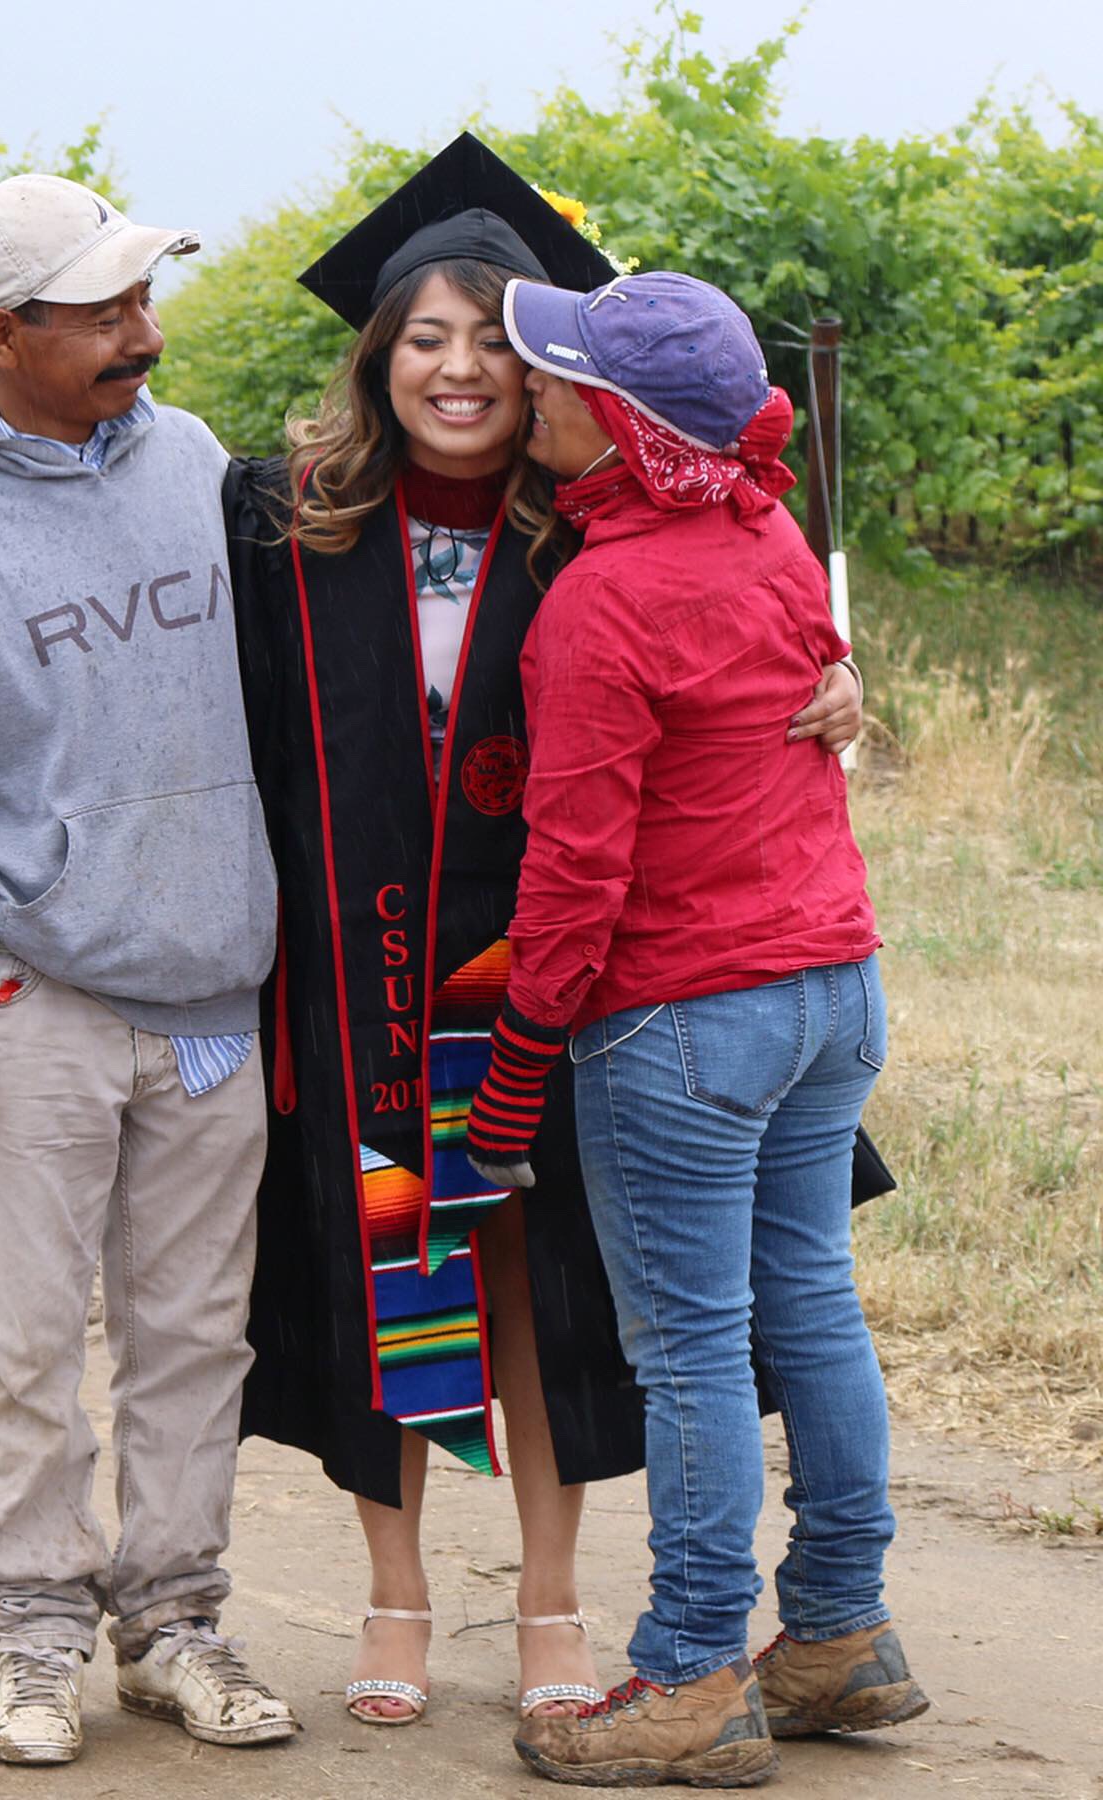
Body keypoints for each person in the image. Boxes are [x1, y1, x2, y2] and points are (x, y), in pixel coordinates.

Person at [225, 137, 865, 1732]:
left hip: (556, 978)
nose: (461, 368)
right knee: (396, 1261)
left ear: (548, 373)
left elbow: (740, 675)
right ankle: (396, 1593)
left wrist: (851, 695)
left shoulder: (590, 527)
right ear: (378, 357)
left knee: (546, 1283)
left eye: (497, 340)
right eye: (425, 337)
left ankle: (564, 1601)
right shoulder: (281, 523)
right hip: (366, 969)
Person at [0, 173, 297, 1767]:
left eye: (144, 300)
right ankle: (33, 1636)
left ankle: (174, 1624)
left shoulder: (195, 464)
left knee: (194, 1334)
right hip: (26, 1002)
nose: (143, 336)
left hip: (213, 1002)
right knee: (25, 1341)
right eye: (102, 312)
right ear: (4, 334)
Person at [461, 268, 929, 1788]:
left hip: (682, 1014)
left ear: (622, 421)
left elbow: (575, 874)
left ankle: (686, 1675)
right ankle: (841, 1634)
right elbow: (812, 686)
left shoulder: (603, 602)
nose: (532, 385)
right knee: (811, 1307)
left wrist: (513, 1075)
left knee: (694, 1357)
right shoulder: (765, 530)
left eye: (559, 375)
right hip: (829, 987)